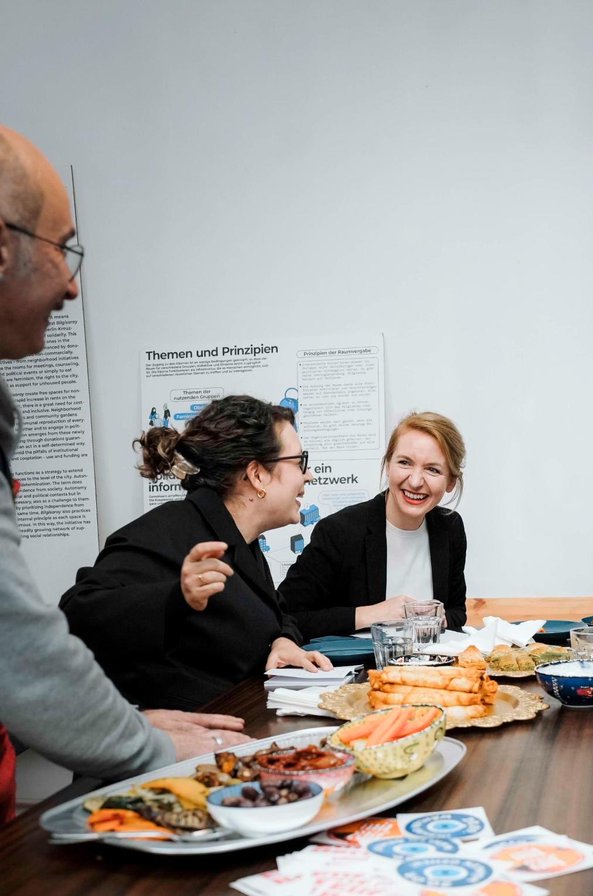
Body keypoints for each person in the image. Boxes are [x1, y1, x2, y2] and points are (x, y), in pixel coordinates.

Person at [0, 125, 245, 823]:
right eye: (63, 248)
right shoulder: (167, 532)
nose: (73, 286)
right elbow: (23, 638)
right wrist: (141, 742)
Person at [61, 395, 332, 710]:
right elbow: (76, 615)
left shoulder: (241, 538)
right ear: (257, 475)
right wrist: (176, 597)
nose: (308, 475)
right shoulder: (171, 530)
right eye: (299, 462)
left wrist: (281, 640)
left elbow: (275, 614)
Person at [279, 411, 467, 638]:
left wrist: (440, 618)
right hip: (363, 670)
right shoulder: (340, 531)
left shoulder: (450, 527)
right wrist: (371, 615)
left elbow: (457, 612)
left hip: (431, 669)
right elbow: (287, 616)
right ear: (388, 465)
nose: (416, 481)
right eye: (405, 463)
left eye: (433, 469)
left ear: (450, 482)